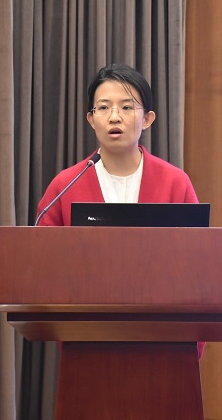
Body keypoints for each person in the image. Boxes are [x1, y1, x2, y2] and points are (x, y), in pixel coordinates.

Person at [35, 63, 205, 358]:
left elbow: (198, 267)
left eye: (127, 107)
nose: (115, 116)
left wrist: (193, 342)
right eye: (103, 108)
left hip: (165, 343)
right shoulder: (65, 185)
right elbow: (42, 265)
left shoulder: (175, 183)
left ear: (147, 119)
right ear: (91, 119)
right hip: (87, 341)